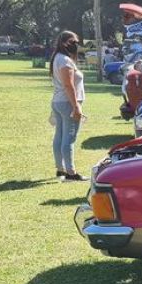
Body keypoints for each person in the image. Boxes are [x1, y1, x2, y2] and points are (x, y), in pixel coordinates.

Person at [48, 30, 87, 181]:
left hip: (58, 102)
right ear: (64, 43)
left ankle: (61, 169)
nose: (76, 45)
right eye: (73, 42)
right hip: (67, 103)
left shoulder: (58, 58)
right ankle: (71, 173)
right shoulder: (65, 61)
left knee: (59, 136)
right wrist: (76, 107)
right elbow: (68, 85)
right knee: (69, 138)